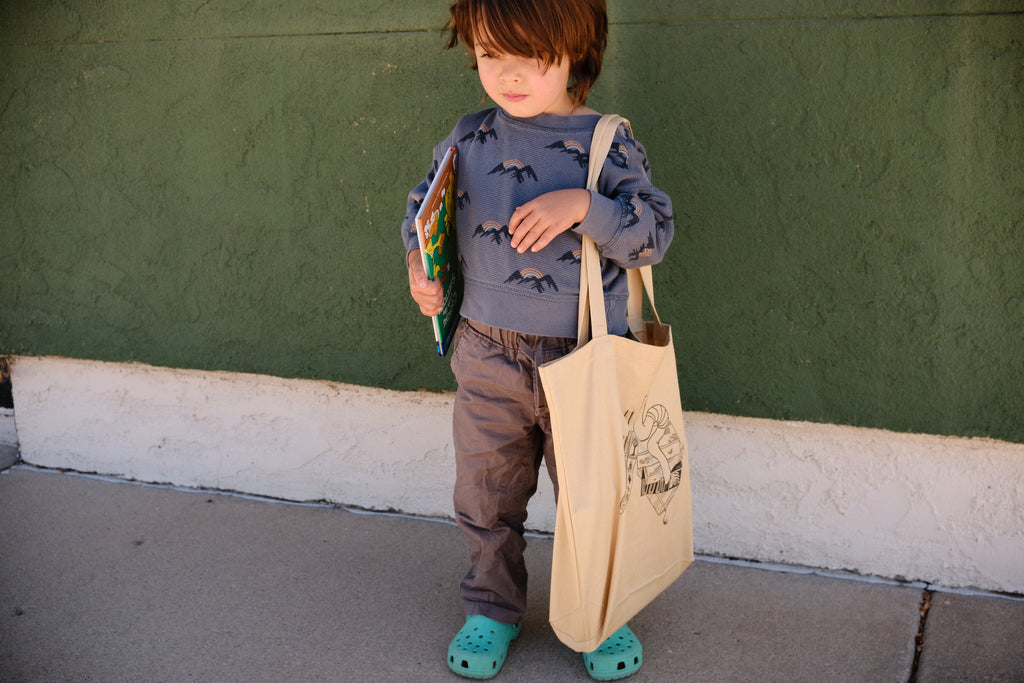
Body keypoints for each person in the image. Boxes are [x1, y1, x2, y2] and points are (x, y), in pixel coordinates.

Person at [401, 0, 674, 679]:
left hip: (583, 353)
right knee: (485, 492)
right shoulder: (467, 138)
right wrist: (420, 271)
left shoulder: (606, 142)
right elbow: (421, 215)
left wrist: (585, 207)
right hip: (486, 352)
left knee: (592, 496)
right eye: (493, 56)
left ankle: (601, 613)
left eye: (530, 59)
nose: (509, 76)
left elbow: (653, 233)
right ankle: (492, 605)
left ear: (575, 53)